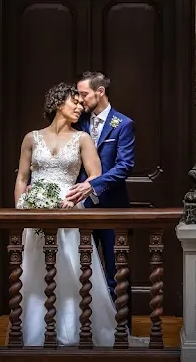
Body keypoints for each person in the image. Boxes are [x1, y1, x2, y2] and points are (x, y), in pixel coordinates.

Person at [13, 82, 118, 347]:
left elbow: (96, 175)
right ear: (59, 103)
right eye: (75, 102)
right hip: (36, 214)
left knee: (72, 270)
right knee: (36, 272)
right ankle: (36, 334)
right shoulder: (31, 138)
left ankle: (73, 333)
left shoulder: (82, 139)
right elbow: (22, 178)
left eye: (82, 103)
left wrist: (78, 195)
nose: (80, 107)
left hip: (69, 210)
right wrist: (21, 212)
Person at [65, 71, 135, 331]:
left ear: (100, 92)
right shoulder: (77, 122)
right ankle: (89, 327)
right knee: (82, 269)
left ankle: (121, 329)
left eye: (84, 94)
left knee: (117, 270)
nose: (80, 100)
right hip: (80, 208)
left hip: (112, 207)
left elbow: (124, 166)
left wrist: (92, 185)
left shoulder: (123, 124)